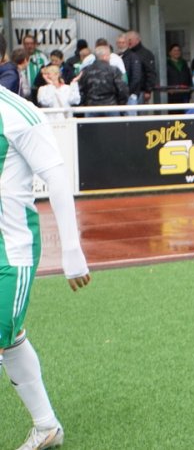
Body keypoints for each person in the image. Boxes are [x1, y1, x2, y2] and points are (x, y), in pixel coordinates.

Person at [0, 32, 91, 450]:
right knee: (12, 337)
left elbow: (56, 177)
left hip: (10, 252)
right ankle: (46, 426)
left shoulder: (17, 112)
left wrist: (72, 252)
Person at [78, 44, 129, 115]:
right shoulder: (114, 70)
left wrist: (84, 104)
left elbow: (81, 90)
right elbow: (122, 89)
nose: (110, 58)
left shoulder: (86, 71)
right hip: (111, 106)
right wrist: (121, 104)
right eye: (109, 55)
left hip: (91, 107)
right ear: (104, 56)